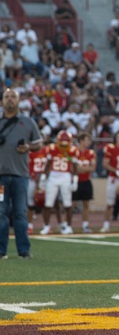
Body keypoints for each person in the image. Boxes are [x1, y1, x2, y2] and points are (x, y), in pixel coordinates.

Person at [0, 87, 43, 259]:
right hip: (0, 178)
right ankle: (1, 250)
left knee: (20, 212)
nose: (10, 99)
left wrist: (28, 148)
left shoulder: (28, 122)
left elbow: (38, 144)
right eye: (6, 97)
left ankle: (23, 250)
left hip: (20, 176)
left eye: (13, 97)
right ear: (2, 101)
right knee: (0, 212)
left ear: (18, 101)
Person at [39, 130, 79, 235]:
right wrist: (43, 177)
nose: (64, 146)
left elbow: (74, 167)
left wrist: (75, 180)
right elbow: (48, 164)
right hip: (53, 175)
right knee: (48, 203)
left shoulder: (72, 150)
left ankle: (69, 226)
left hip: (65, 176)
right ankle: (46, 226)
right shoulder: (52, 149)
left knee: (67, 203)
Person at [101, 130, 119, 232]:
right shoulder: (110, 148)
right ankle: (105, 225)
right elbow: (105, 164)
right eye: (118, 137)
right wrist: (116, 171)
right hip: (113, 179)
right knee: (110, 203)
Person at [71, 132, 96, 233]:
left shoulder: (90, 153)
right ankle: (67, 224)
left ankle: (85, 225)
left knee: (86, 204)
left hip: (86, 180)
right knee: (72, 204)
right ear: (81, 141)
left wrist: (81, 169)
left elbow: (93, 167)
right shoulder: (74, 151)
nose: (88, 142)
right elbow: (73, 168)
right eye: (87, 140)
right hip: (75, 180)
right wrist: (84, 168)